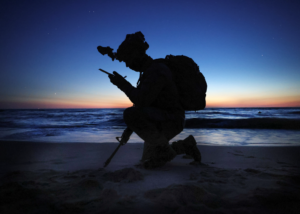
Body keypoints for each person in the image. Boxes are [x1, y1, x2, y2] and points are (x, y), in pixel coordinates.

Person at [104, 31, 201, 168]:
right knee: (148, 159)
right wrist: (128, 131)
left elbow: (141, 101)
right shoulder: (149, 72)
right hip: (160, 119)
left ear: (136, 54)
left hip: (171, 120)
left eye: (127, 60)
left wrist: (122, 84)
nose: (127, 65)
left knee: (129, 114)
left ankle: (164, 150)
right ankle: (186, 145)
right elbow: (142, 106)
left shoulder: (157, 70)